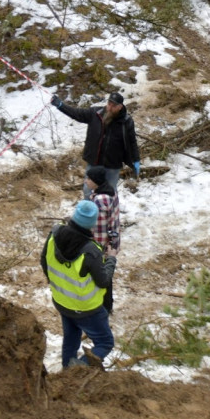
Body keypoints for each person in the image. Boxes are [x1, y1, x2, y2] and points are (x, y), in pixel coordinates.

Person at [41, 200, 118, 370]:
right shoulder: (90, 251)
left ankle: (66, 373)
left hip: (62, 301)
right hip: (87, 308)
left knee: (71, 338)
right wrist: (111, 258)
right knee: (105, 342)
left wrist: (56, 283)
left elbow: (44, 261)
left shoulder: (54, 235)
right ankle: (76, 373)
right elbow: (104, 281)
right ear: (92, 224)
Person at [51, 91, 140, 197]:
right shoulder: (95, 113)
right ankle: (90, 212)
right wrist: (61, 106)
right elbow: (77, 113)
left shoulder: (126, 121)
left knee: (110, 193)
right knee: (88, 191)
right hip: (94, 162)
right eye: (109, 104)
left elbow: (132, 141)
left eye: (114, 106)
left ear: (120, 107)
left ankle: (107, 212)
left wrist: (136, 159)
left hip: (113, 164)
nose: (110, 108)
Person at [86, 165, 121, 314]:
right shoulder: (110, 192)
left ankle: (105, 307)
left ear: (96, 181)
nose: (86, 181)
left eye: (89, 178)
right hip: (111, 241)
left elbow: (98, 226)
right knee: (107, 272)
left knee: (102, 275)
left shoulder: (100, 200)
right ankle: (108, 305)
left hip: (101, 244)